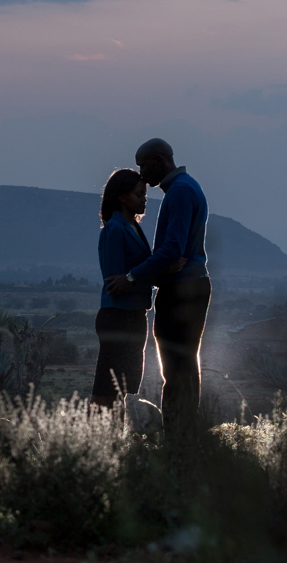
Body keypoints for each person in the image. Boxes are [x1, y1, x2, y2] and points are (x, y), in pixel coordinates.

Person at [105, 138, 210, 430]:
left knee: (176, 369)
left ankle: (177, 439)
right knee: (184, 365)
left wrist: (132, 276)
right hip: (187, 286)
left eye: (143, 166)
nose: (141, 173)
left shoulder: (179, 193)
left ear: (158, 162)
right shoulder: (186, 187)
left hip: (182, 291)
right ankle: (183, 437)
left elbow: (172, 249)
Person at [91, 169, 185, 408]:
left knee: (123, 389)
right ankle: (94, 440)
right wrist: (159, 271)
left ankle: (114, 441)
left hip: (134, 318)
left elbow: (134, 275)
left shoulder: (133, 227)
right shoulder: (115, 228)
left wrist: (160, 272)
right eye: (139, 194)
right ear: (122, 197)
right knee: (107, 388)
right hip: (118, 317)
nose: (145, 199)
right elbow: (116, 283)